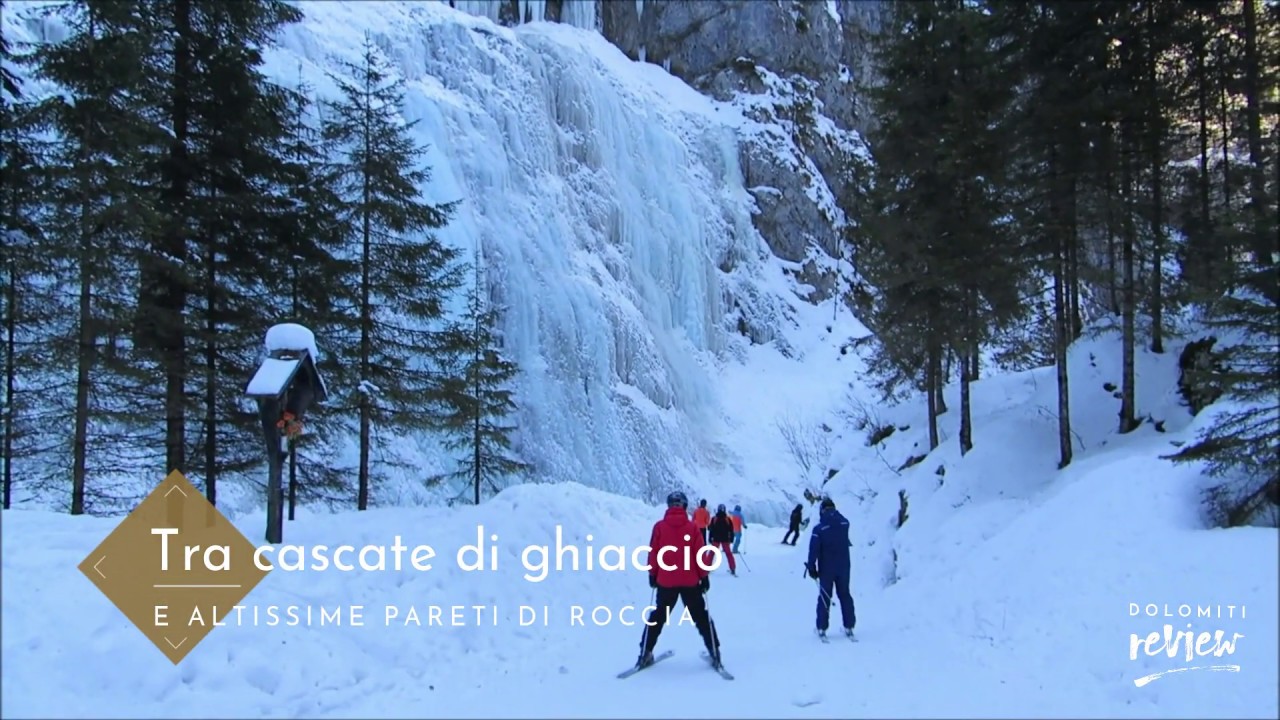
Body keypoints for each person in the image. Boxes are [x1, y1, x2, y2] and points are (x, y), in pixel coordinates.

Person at [638, 491, 723, 670]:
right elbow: (699, 555)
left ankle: (645, 652)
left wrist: (652, 574)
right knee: (700, 616)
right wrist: (704, 577)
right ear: (684, 506)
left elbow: (654, 553)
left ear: (668, 506)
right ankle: (715, 652)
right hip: (690, 581)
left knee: (658, 616)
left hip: (665, 581)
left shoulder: (659, 527)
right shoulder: (692, 528)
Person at [805, 497, 856, 639]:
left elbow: (813, 550)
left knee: (825, 597)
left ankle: (821, 628)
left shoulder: (819, 529)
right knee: (845, 595)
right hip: (844, 566)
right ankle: (849, 626)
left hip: (826, 568)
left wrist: (811, 567)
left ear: (822, 510)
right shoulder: (845, 523)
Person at [707, 504, 737, 576]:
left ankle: (707, 568)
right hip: (725, 539)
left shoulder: (714, 518)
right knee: (728, 554)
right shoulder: (727, 519)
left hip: (716, 539)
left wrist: (710, 538)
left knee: (712, 553)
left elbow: (710, 529)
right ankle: (732, 568)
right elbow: (731, 530)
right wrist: (732, 539)